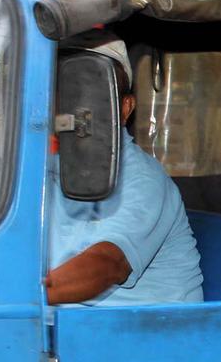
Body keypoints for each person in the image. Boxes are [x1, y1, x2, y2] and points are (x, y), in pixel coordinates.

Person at [46, 30, 203, 306]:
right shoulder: (48, 170)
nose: (75, 106)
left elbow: (107, 265)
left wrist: (11, 299)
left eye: (90, 91)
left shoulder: (143, 179)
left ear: (125, 108)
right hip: (65, 330)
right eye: (66, 90)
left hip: (143, 337)